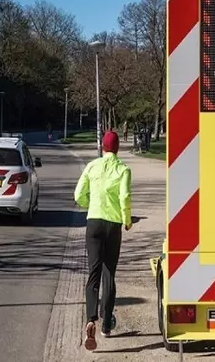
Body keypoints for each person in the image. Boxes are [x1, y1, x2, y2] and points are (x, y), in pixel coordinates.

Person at [74, 131, 132, 351]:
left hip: (94, 223)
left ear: (103, 147)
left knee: (94, 273)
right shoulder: (124, 169)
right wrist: (127, 220)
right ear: (117, 148)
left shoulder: (92, 166)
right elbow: (125, 196)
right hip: (113, 225)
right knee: (109, 274)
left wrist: (91, 204)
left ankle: (90, 318)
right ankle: (106, 325)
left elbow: (78, 194)